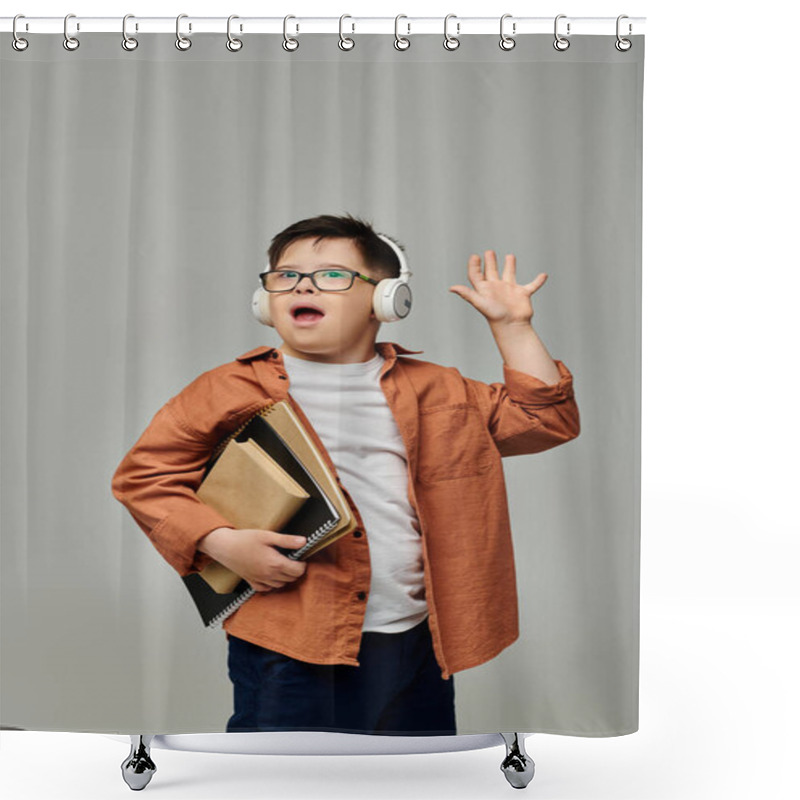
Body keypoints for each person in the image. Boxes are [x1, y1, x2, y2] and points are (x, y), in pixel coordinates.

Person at [111, 212, 580, 736]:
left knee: (408, 775)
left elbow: (547, 420)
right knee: (285, 778)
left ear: (387, 300)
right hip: (290, 639)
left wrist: (512, 327)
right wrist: (221, 543)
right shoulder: (227, 388)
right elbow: (143, 478)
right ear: (265, 301)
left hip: (417, 636)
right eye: (285, 276)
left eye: (332, 276)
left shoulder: (442, 390)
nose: (302, 286)